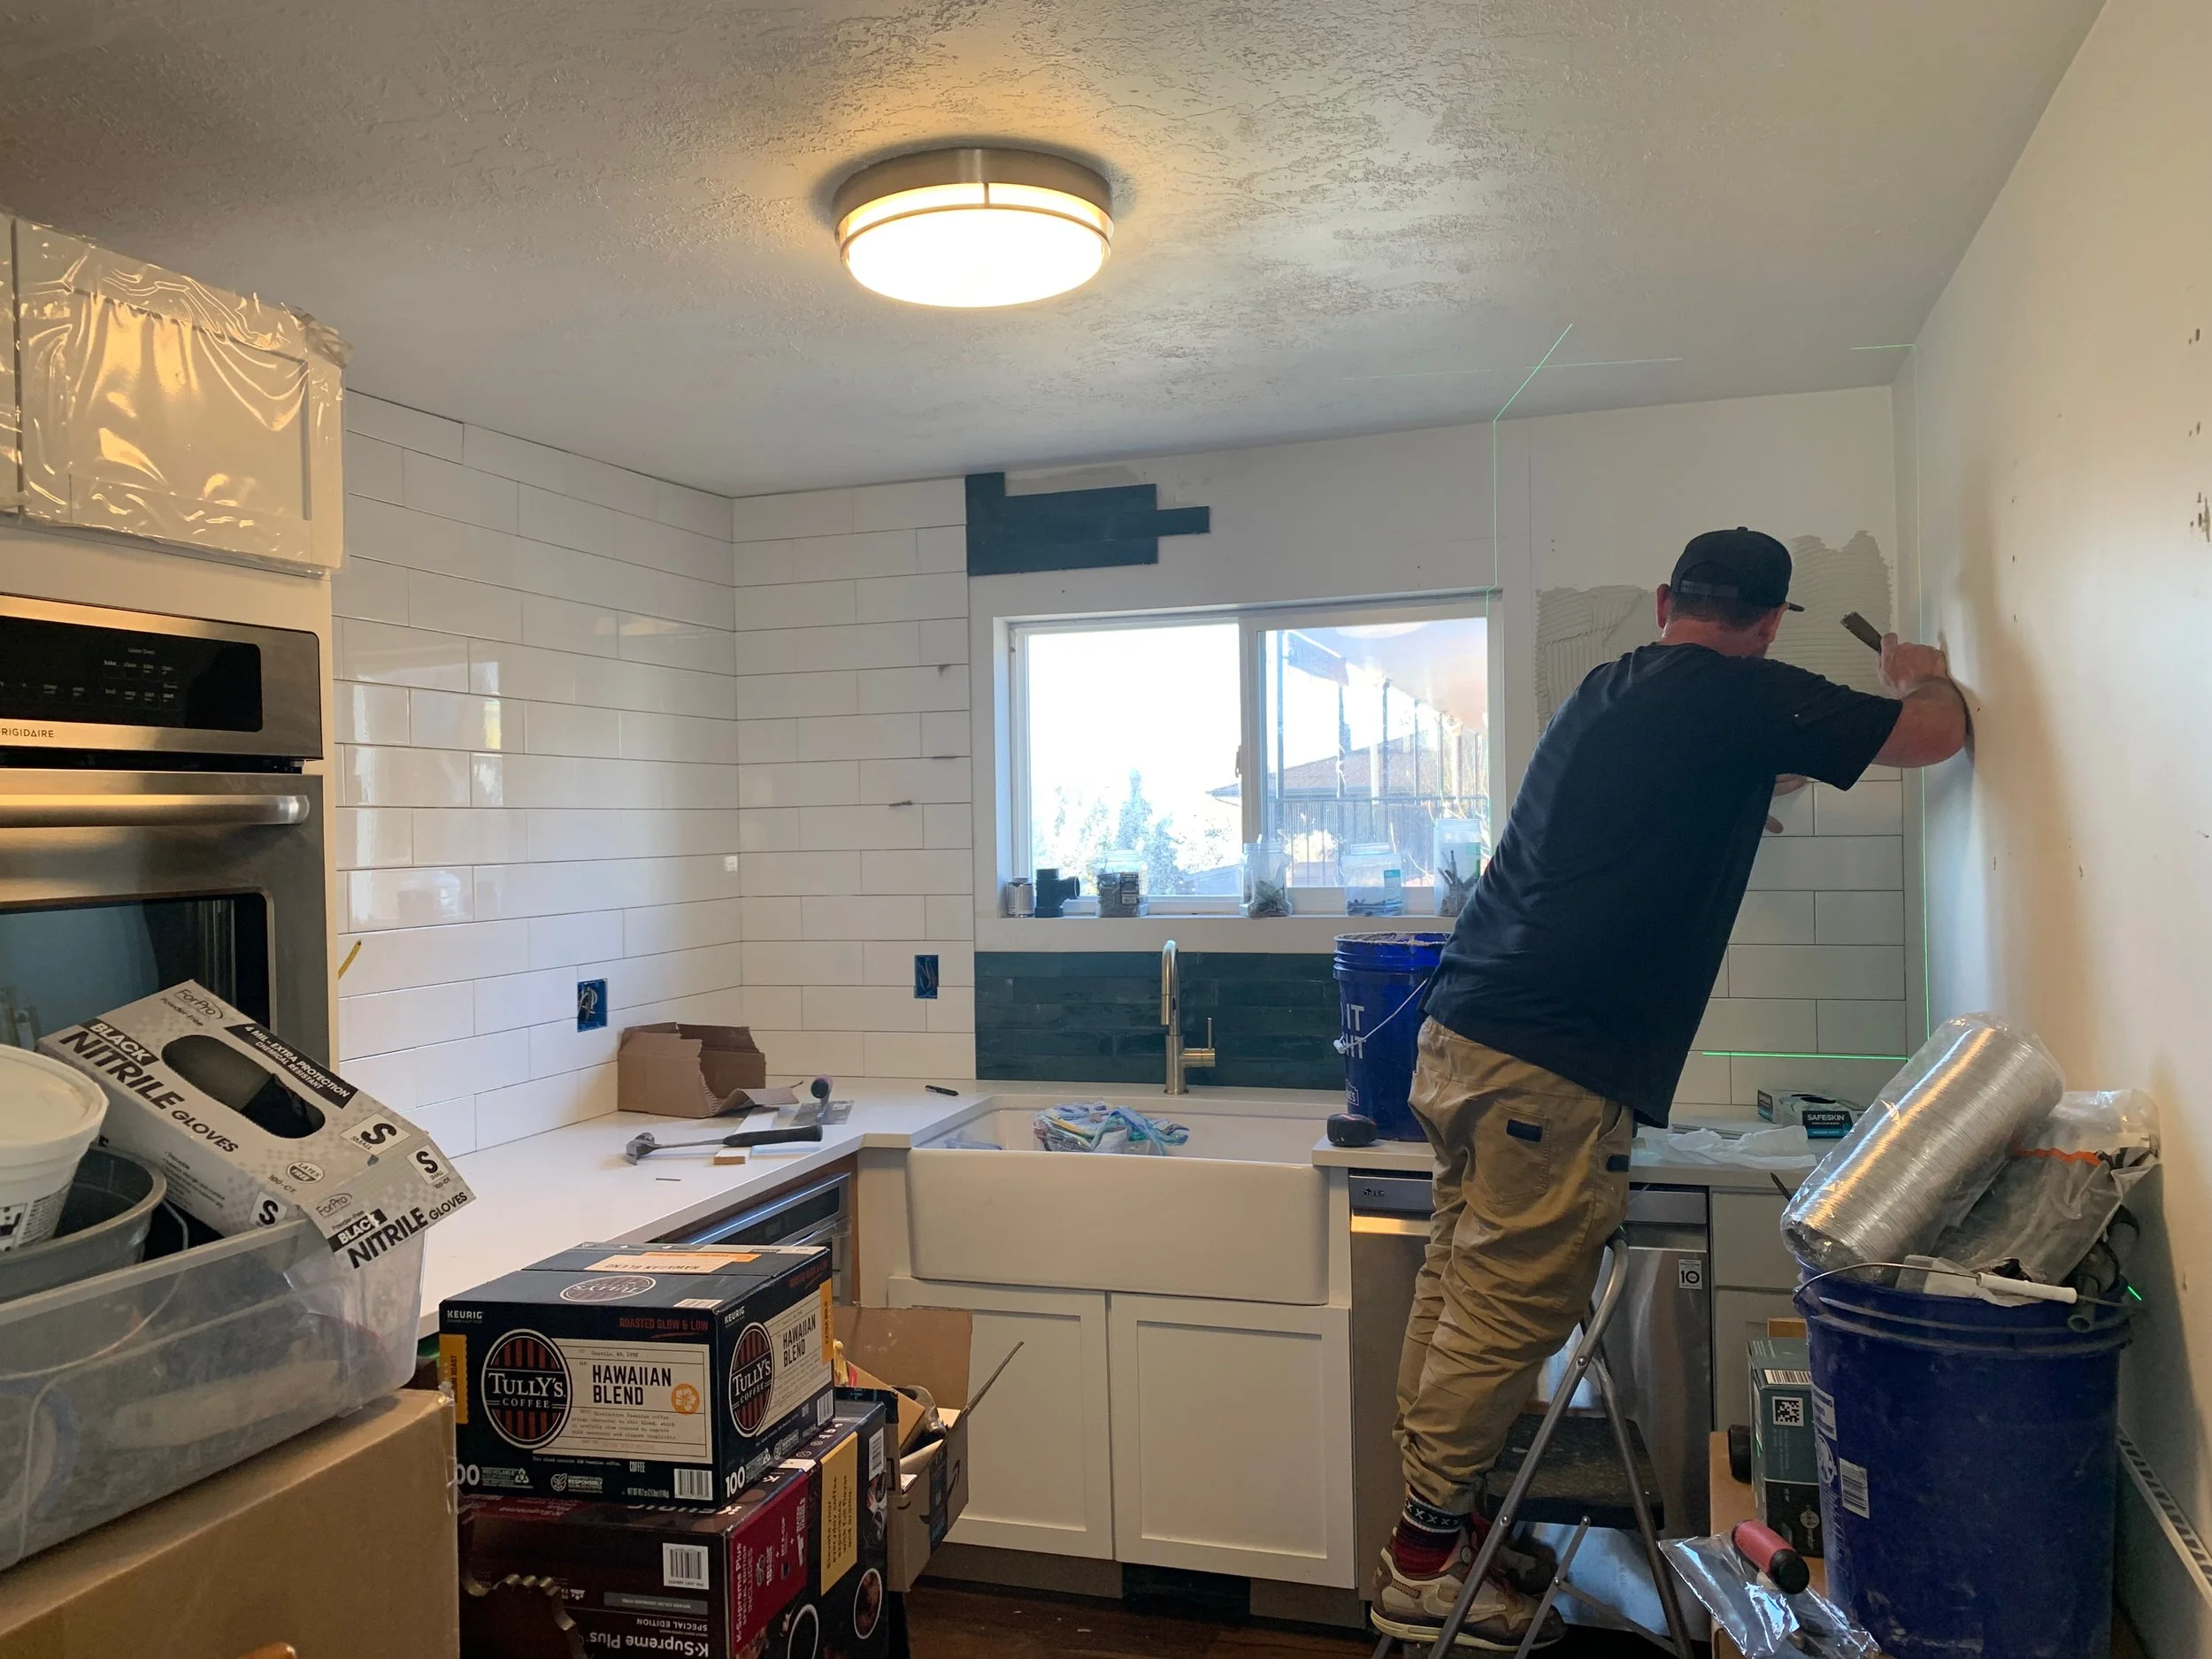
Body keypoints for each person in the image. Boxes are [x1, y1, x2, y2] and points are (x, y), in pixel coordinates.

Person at [1372, 527, 1967, 1651]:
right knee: (1503, 1306)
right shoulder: (1741, 694)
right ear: (1771, 624)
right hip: (1551, 1058)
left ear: (1663, 601)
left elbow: (1731, 773)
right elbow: (1936, 736)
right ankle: (1422, 1562)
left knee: (1456, 1283)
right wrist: (1916, 676)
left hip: (1463, 1032)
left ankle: (1442, 1527)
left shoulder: (1614, 689)